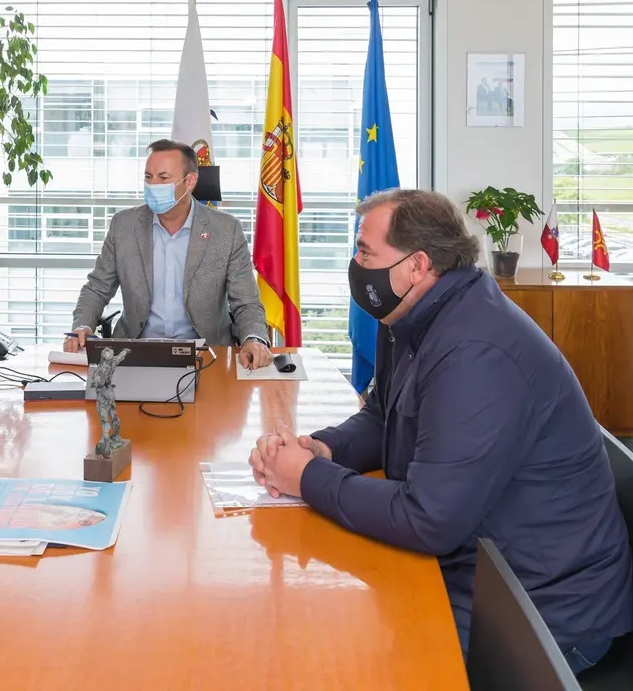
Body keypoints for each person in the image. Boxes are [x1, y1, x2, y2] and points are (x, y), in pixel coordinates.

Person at [249, 189, 633, 674]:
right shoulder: (412, 314)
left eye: (366, 251)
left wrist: (306, 478)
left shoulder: (477, 351)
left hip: (541, 617)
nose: (355, 263)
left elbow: (429, 520)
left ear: (417, 266)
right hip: (483, 570)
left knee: (328, 658)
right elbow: (385, 415)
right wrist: (322, 449)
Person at [65, 139, 273, 369]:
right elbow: (97, 287)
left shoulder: (226, 230)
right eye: (148, 177)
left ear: (190, 181)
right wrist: (82, 326)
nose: (153, 185)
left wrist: (254, 339)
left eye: (163, 178)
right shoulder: (123, 225)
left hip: (206, 355)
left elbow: (246, 302)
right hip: (135, 353)